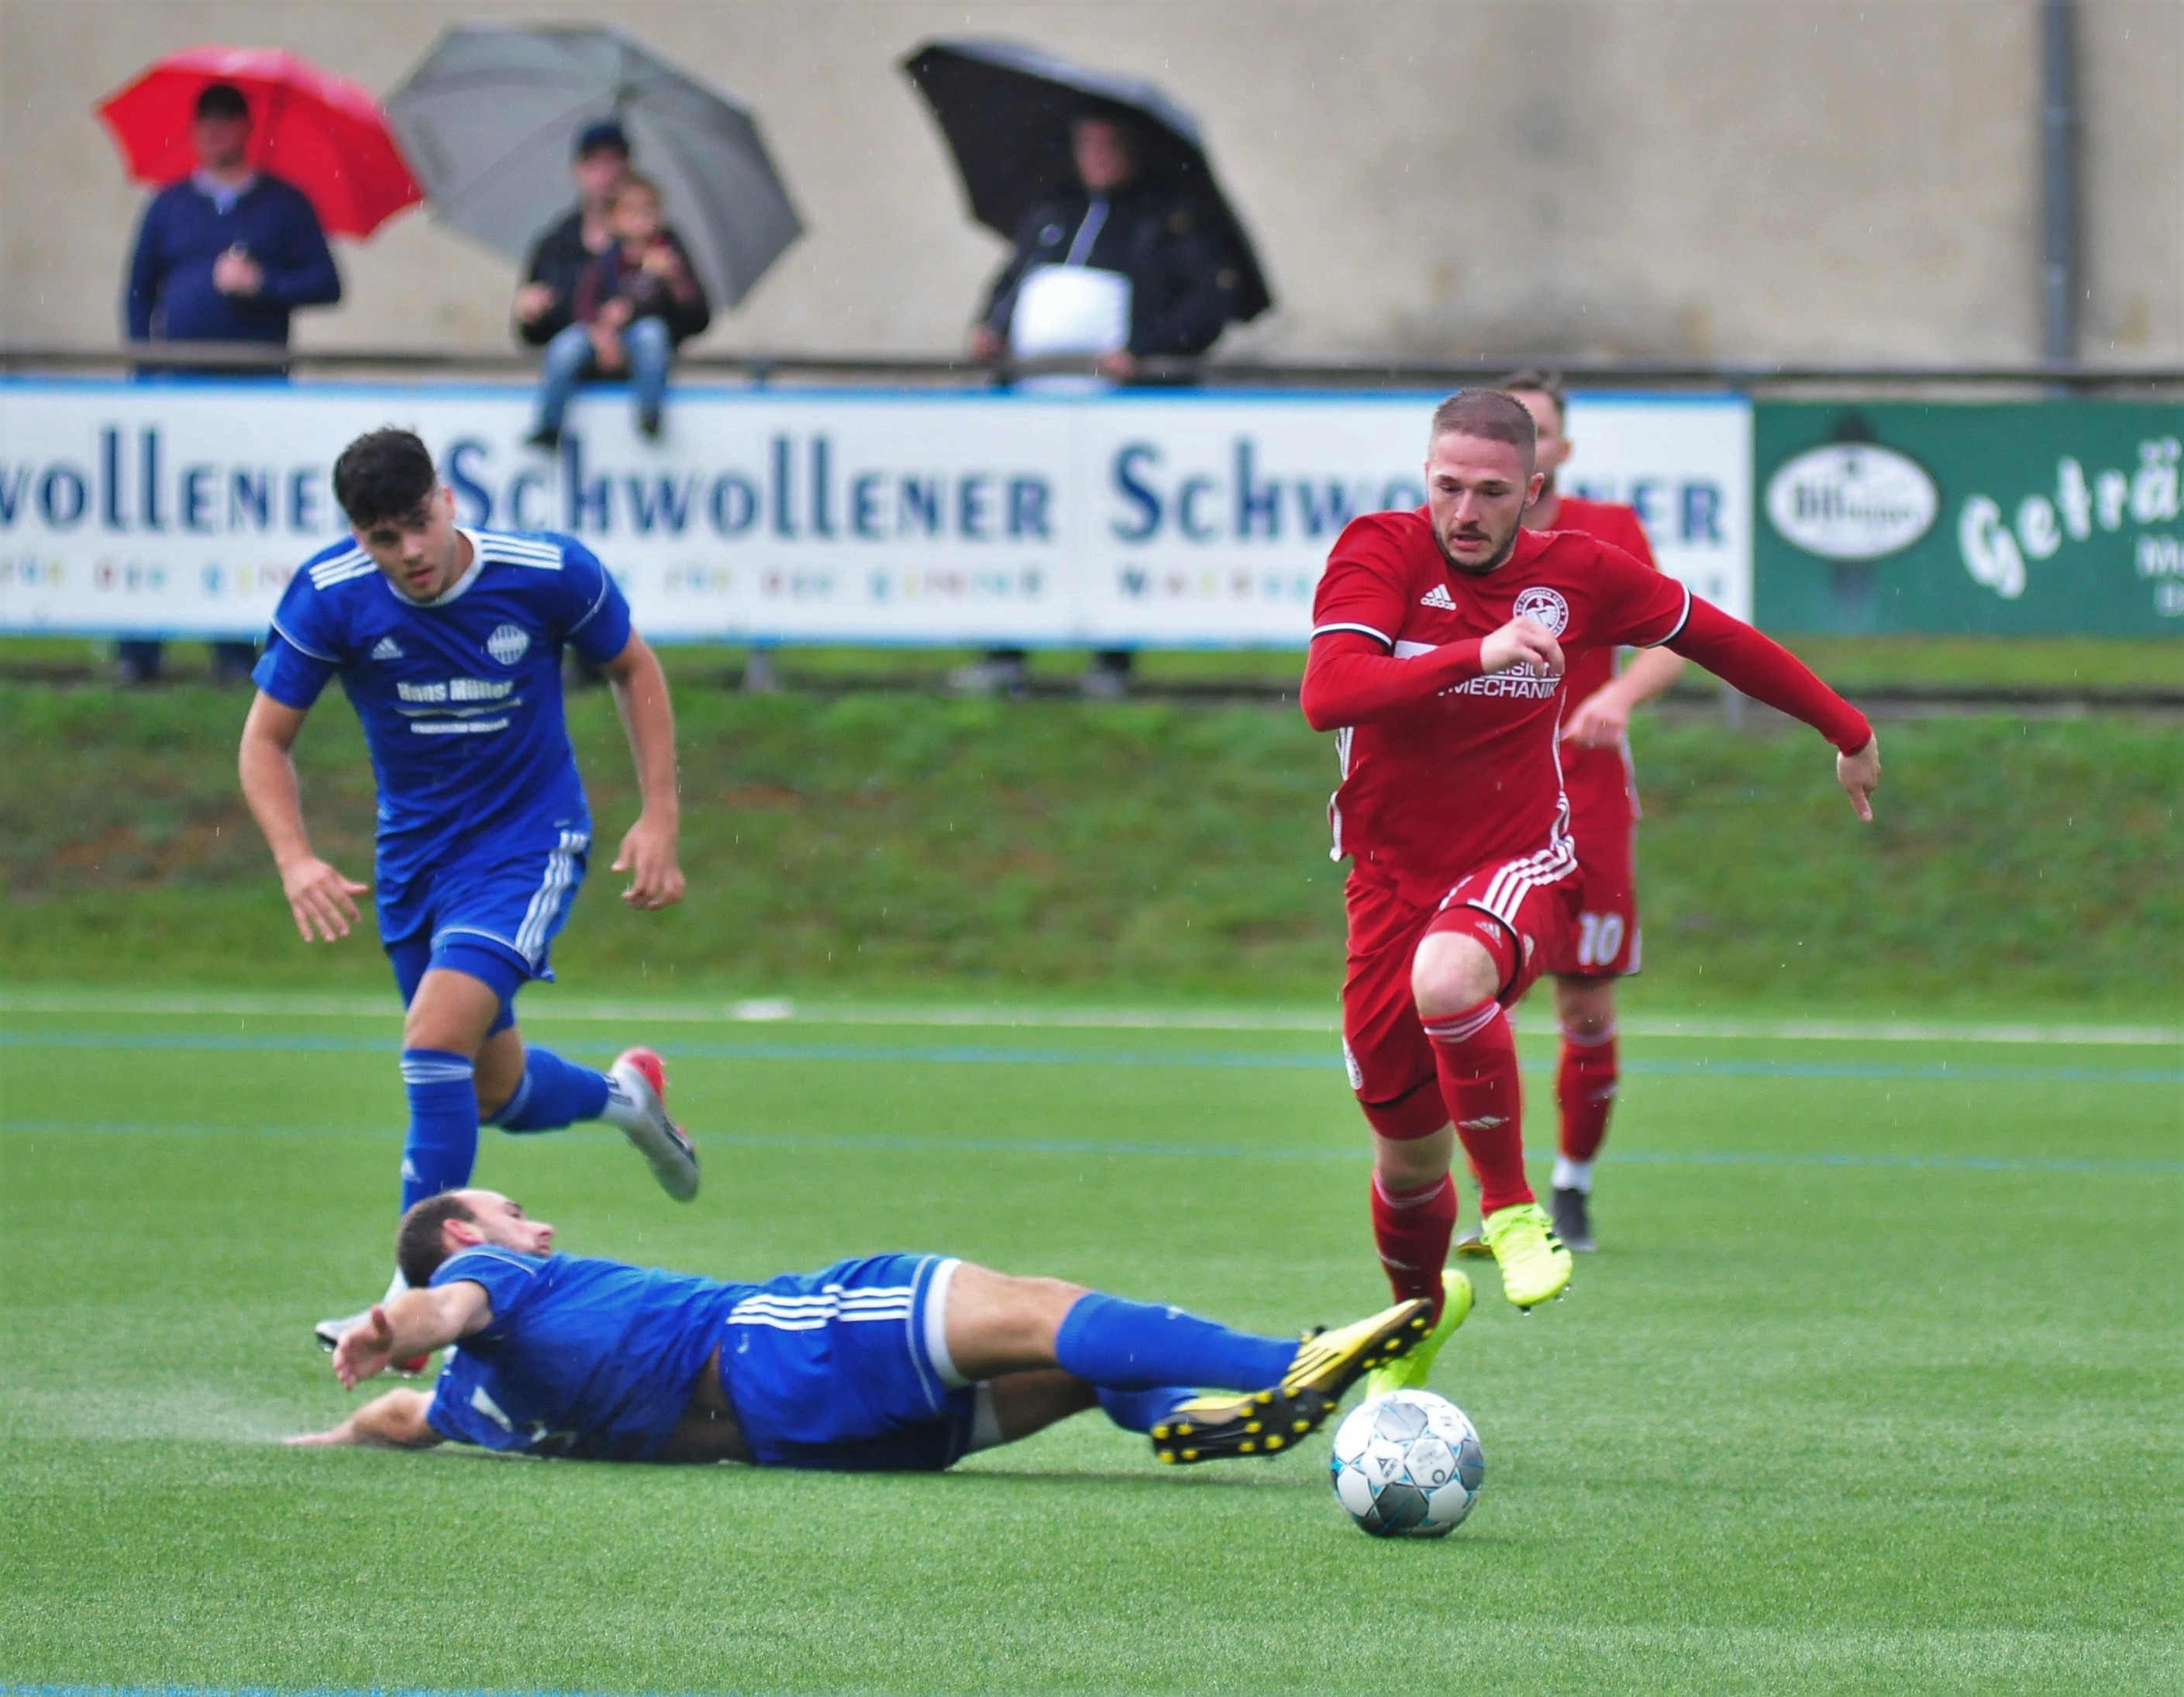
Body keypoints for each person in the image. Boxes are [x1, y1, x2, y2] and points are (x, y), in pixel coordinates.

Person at [1300, 389, 1880, 1393]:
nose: (1465, 511)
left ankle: (1519, 1207)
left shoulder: (1578, 572)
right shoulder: (1381, 552)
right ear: (1423, 480)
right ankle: (1413, 1331)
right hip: (1385, 881)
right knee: (1403, 1164)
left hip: (1514, 857)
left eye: (1490, 491)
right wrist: (1469, 654)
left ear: (1534, 490)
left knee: (1450, 977)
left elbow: (1718, 639)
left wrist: (1844, 727)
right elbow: (1330, 694)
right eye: (1447, 487)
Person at [237, 428, 698, 1364]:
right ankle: (626, 1101)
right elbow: (263, 741)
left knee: (433, 1041)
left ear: (447, 499)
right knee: (489, 1091)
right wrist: (294, 859)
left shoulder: (546, 573)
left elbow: (633, 667)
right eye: (381, 536)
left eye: (416, 523)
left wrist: (658, 817)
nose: (406, 552)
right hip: (414, 862)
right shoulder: (331, 595)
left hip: (529, 844)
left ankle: (410, 1295)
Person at [294, 1188, 1433, 1470]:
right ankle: (1287, 1364)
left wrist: (317, 1439)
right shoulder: (481, 1279)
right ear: (459, 1238)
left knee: (1071, 1357)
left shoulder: (473, 1404)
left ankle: (1197, 1412)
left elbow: (401, 1410)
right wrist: (387, 1319)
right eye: (506, 1211)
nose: (533, 1225)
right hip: (783, 1341)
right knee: (1044, 1306)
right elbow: (434, 1314)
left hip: (821, 1444)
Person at [1446, 372, 1688, 1256]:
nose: (1524, 446)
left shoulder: (1607, 533)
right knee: (1466, 992)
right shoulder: (1451, 539)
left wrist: (1618, 697)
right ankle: (1493, 1193)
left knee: (1584, 1005)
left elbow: (1673, 642)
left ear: (1558, 454)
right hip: (1477, 803)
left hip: (1583, 797)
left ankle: (1572, 1188)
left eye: (1538, 432)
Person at [959, 110, 1251, 701]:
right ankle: (1005, 652)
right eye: (1086, 142)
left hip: (1119, 416)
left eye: (1109, 143)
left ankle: (1110, 659)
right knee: (1021, 529)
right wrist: (990, 328)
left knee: (1111, 531)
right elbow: (1008, 286)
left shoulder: (1167, 222)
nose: (1097, 154)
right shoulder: (1050, 216)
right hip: (1033, 408)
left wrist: (1142, 351)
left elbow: (1206, 310)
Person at [121, 79, 341, 686]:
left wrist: (262, 284)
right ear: (194, 132)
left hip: (255, 387)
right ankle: (140, 647)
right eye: (205, 123)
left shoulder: (285, 205)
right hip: (179, 385)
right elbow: (139, 289)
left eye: (227, 121)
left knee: (241, 517)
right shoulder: (168, 205)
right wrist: (146, 366)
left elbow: (327, 283)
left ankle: (234, 647)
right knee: (162, 512)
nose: (216, 133)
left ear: (247, 130)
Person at [526, 174, 710, 447]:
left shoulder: (668, 256)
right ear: (614, 220)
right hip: (600, 334)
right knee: (566, 347)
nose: (642, 220)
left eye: (649, 212)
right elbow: (585, 300)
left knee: (652, 334)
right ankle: (550, 423)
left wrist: (673, 280)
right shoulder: (606, 259)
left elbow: (689, 310)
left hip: (638, 336)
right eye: (633, 213)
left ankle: (650, 412)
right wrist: (600, 332)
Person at [512, 119, 632, 353]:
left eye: (613, 161)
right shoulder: (555, 244)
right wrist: (532, 313)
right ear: (577, 170)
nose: (605, 174)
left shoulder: (651, 239)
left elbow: (692, 320)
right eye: (594, 163)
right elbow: (534, 337)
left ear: (627, 168)